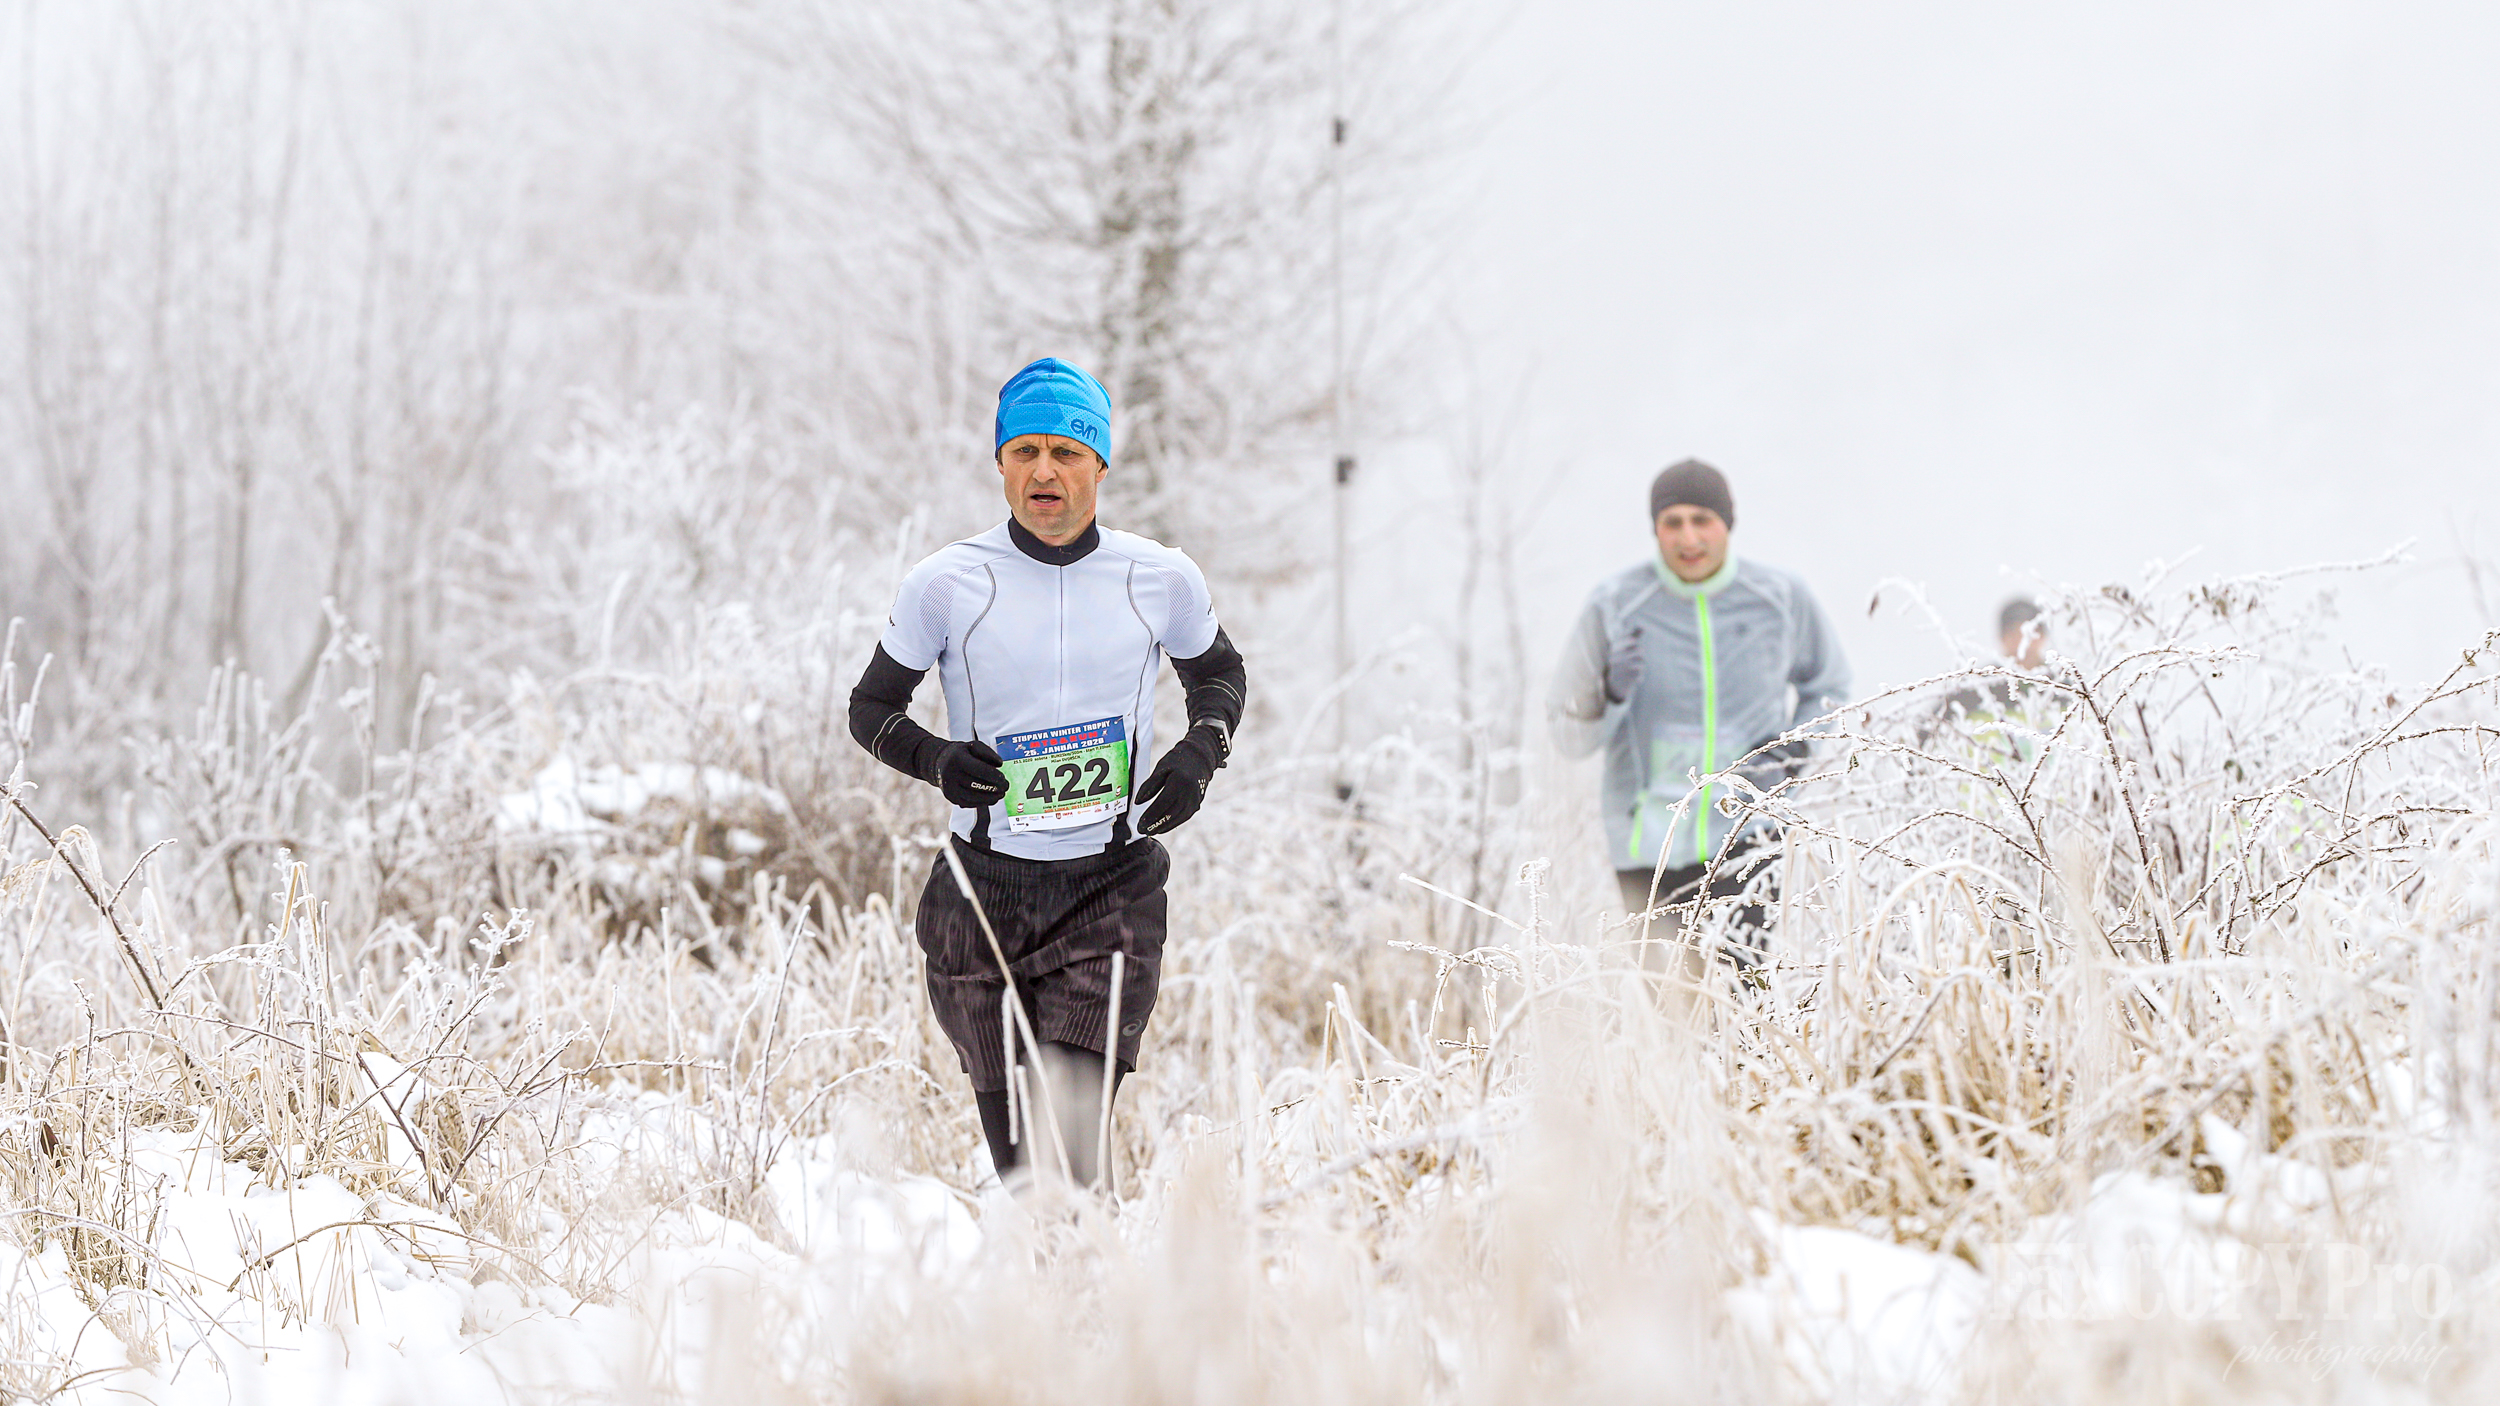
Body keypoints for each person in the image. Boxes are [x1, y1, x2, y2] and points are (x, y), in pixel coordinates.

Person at [847, 357, 1246, 1190]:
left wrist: (1200, 752)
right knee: (1028, 1173)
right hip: (980, 898)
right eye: (1023, 451)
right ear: (1000, 463)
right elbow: (871, 708)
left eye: (1066, 452)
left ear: (1100, 464)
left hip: (1111, 889)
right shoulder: (946, 584)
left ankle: (1094, 1268)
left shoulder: (1158, 577)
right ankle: (1055, 1272)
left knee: (1070, 1154)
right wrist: (937, 759)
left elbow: (1218, 674)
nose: (1044, 471)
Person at [1548, 459, 1850, 968]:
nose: (1688, 538)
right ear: (1656, 530)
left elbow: (1829, 686)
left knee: (1741, 996)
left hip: (1749, 831)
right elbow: (1567, 734)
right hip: (1647, 842)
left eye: (1702, 520)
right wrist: (1609, 694)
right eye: (1673, 522)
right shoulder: (1616, 605)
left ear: (1727, 524)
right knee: (1670, 1002)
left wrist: (1795, 749)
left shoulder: (1778, 599)